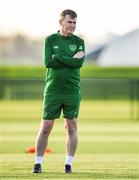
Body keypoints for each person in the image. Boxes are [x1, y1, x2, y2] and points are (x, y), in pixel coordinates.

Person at [33, 9, 85, 174]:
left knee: (71, 126)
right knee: (46, 126)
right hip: (53, 91)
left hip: (72, 91)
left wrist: (59, 57)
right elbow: (48, 62)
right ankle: (38, 163)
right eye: (70, 22)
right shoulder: (50, 40)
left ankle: (68, 164)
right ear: (61, 22)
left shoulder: (79, 41)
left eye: (75, 23)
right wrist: (70, 59)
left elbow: (79, 64)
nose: (72, 25)